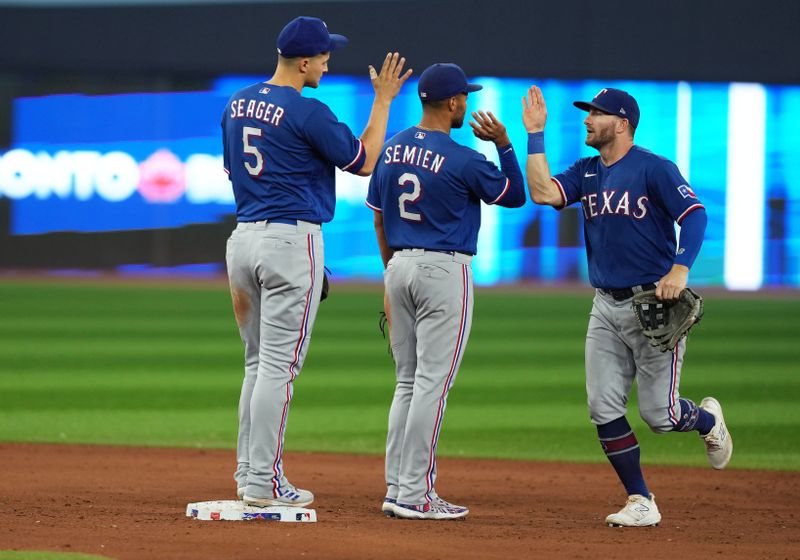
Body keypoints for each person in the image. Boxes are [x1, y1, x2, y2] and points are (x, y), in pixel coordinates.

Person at [221, 15, 411, 508]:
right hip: (290, 240)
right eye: (325, 55)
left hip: (243, 238)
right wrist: (384, 100)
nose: (329, 62)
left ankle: (248, 473)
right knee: (278, 370)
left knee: (257, 364)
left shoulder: (236, 103)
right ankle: (264, 482)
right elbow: (365, 160)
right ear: (304, 60)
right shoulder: (308, 111)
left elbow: (232, 171)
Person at [521, 86, 733, 527]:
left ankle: (708, 419)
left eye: (595, 114)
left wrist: (680, 268)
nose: (586, 120)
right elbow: (542, 193)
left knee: (661, 415)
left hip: (654, 304)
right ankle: (641, 499)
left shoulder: (653, 168)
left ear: (620, 123)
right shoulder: (587, 171)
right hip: (604, 306)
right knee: (603, 407)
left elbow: (695, 215)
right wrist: (535, 134)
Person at [366, 63, 526, 520]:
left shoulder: (393, 149)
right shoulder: (463, 157)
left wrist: (390, 271)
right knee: (432, 385)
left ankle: (398, 485)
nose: (467, 103)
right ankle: (415, 493)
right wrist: (504, 144)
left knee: (406, 383)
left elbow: (379, 217)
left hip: (397, 266)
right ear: (454, 102)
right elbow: (514, 195)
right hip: (443, 270)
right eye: (465, 97)